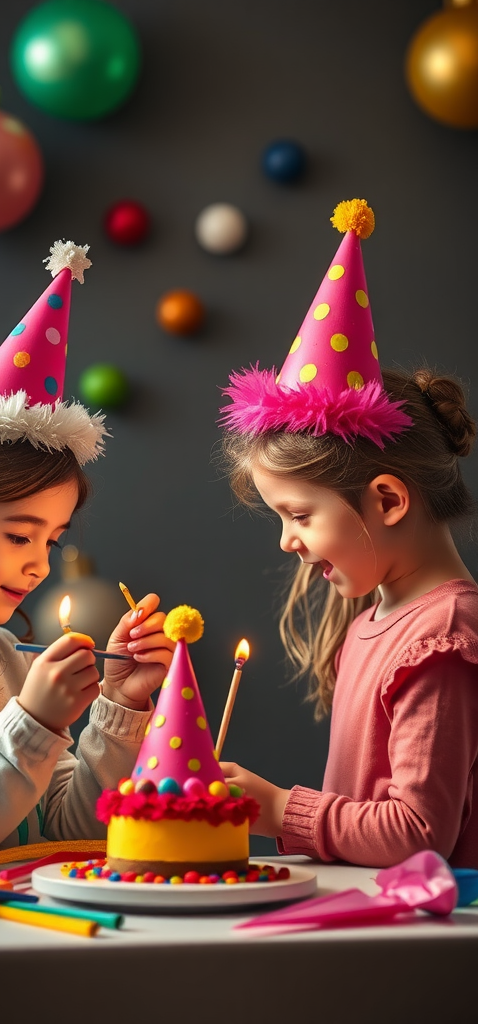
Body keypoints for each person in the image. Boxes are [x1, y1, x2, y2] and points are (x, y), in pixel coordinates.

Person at [218, 199, 478, 869]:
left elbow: (419, 836)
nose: (287, 542)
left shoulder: (442, 638)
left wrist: (278, 810)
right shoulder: (375, 620)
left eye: (299, 515)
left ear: (387, 499)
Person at [0, 241, 173, 873]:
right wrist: (33, 721)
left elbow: (73, 834)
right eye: (20, 536)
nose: (41, 567)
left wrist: (118, 705)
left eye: (53, 540)